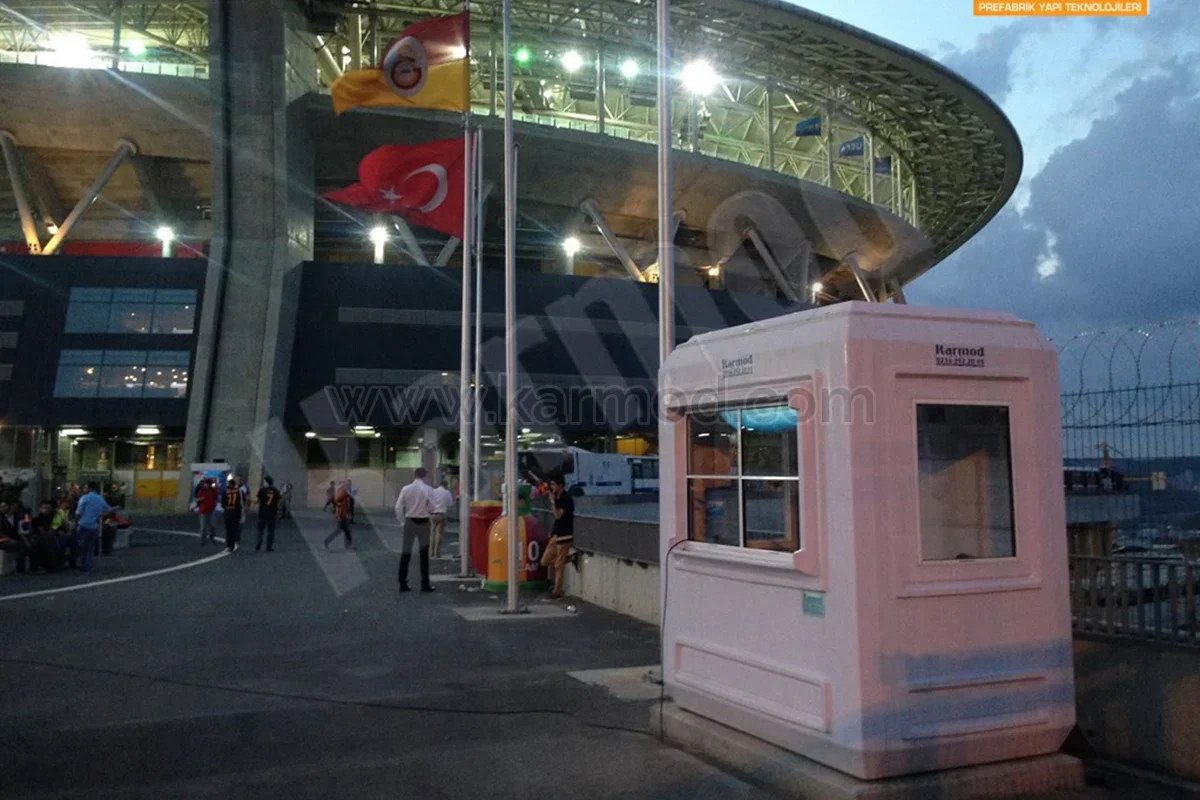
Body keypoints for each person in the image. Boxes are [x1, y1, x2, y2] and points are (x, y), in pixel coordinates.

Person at [394, 468, 436, 593]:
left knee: (406, 553)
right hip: (424, 522)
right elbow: (433, 507)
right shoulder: (428, 489)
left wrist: (402, 521)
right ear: (425, 476)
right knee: (424, 555)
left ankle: (402, 583)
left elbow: (398, 507)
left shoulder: (406, 489)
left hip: (410, 522)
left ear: (415, 475)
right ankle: (425, 584)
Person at [540, 474, 575, 599]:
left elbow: (558, 515)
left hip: (565, 535)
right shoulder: (557, 497)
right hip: (556, 534)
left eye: (554, 484)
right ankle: (571, 558)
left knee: (558, 565)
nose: (552, 487)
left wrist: (553, 502)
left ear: (560, 485)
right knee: (545, 560)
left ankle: (558, 590)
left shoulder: (565, 498)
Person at [75, 482, 114, 574]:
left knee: (81, 547)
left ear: (90, 488)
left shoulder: (85, 498)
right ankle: (88, 567)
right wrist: (100, 515)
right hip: (94, 526)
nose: (84, 489)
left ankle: (80, 565)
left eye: (85, 488)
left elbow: (79, 512)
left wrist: (75, 523)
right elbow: (110, 510)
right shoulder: (100, 499)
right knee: (90, 547)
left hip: (83, 525)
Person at [30, 502, 66, 573]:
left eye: (48, 508)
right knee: (47, 543)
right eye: (44, 508)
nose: (46, 510)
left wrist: (57, 532)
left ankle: (58, 564)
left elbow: (57, 527)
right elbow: (41, 531)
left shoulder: (51, 517)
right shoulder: (38, 518)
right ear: (41, 509)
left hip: (49, 536)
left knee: (61, 540)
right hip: (37, 537)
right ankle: (47, 566)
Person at [0, 501, 31, 574]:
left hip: (12, 539)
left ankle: (31, 567)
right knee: (20, 546)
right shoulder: (1, 517)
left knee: (27, 544)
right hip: (2, 539)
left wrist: (26, 541)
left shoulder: (17, 518)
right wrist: (10, 539)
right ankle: (20, 569)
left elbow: (20, 532)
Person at [428, 478, 453, 559]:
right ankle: (437, 553)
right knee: (439, 534)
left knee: (432, 534)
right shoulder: (447, 492)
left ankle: (430, 553)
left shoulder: (433, 491)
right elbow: (450, 503)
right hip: (441, 515)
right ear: (446, 486)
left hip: (432, 515)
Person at [323, 484, 353, 549]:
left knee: (344, 531)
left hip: (342, 516)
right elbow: (341, 507)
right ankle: (327, 541)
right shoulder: (342, 496)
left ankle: (347, 545)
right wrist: (344, 515)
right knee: (344, 531)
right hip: (342, 517)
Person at [256, 476, 281, 552]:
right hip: (272, 513)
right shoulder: (276, 490)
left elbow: (258, 500)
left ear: (266, 482)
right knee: (271, 531)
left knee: (260, 529)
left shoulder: (262, 490)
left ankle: (259, 541)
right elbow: (279, 500)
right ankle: (269, 547)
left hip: (263, 512)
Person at [222, 477, 244, 553]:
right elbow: (241, 502)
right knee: (234, 529)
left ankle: (229, 545)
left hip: (228, 513)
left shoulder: (225, 492)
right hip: (236, 513)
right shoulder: (239, 492)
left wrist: (226, 507)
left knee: (228, 529)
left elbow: (223, 503)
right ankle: (233, 543)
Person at [195, 478, 219, 545]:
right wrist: (202, 499)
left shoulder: (213, 490)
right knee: (203, 526)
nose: (208, 484)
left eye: (209, 483)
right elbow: (197, 499)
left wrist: (214, 506)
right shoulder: (202, 490)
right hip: (203, 511)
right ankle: (203, 539)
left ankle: (211, 538)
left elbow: (216, 497)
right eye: (207, 483)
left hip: (210, 510)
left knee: (212, 525)